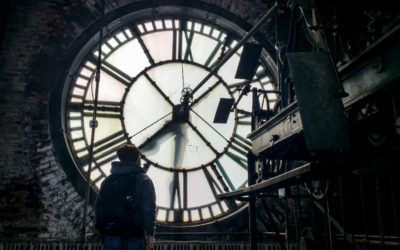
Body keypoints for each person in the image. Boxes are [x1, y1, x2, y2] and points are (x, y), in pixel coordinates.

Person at [95, 144, 156, 250]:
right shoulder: (144, 180)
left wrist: (102, 233)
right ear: (138, 158)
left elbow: (99, 208)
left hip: (112, 234)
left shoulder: (108, 181)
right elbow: (148, 209)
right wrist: (151, 234)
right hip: (134, 235)